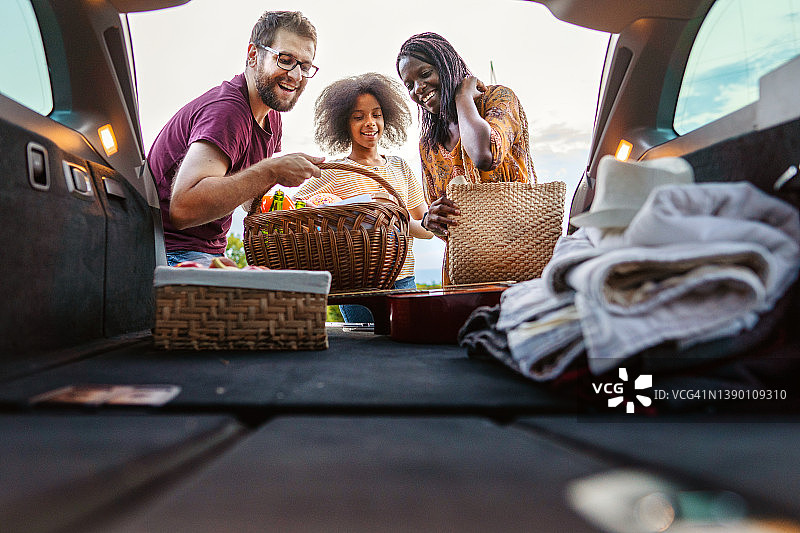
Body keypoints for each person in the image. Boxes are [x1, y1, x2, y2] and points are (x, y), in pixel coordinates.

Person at [148, 11, 324, 267]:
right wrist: (272, 170)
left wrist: (301, 208)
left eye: (305, 66)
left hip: (210, 251)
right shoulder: (228, 111)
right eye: (285, 60)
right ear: (253, 55)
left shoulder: (271, 117)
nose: (296, 76)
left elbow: (245, 198)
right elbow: (183, 208)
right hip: (168, 252)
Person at [293, 73, 433, 323]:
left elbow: (427, 229)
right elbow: (295, 211)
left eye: (376, 114)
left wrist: (390, 214)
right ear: (343, 124)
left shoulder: (400, 168)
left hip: (404, 281)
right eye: (359, 117)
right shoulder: (334, 172)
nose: (370, 123)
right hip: (355, 286)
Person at [396, 32, 535, 283]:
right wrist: (430, 219)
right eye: (409, 84)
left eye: (425, 74)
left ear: (447, 67)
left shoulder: (498, 99)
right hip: (465, 269)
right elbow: (440, 217)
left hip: (519, 256)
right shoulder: (429, 143)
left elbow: (485, 154)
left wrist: (462, 97)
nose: (418, 89)